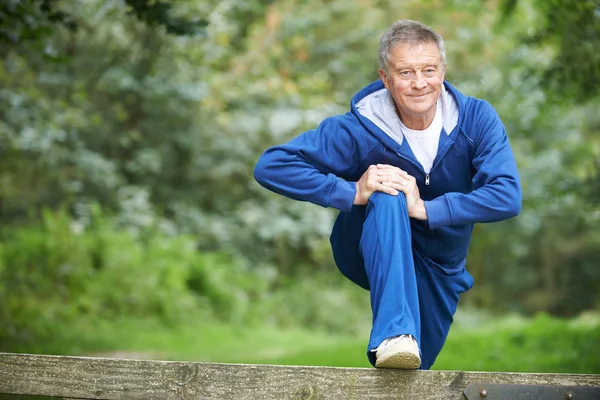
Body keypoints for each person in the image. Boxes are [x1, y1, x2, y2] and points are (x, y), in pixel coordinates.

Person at [253, 19, 521, 370]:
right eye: (406, 72)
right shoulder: (359, 129)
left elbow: (506, 195)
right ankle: (393, 332)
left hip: (440, 265)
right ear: (385, 78)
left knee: (409, 372)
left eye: (428, 69)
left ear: (443, 70)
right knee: (388, 185)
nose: (419, 82)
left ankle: (399, 341)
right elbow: (272, 165)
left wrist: (426, 208)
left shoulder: (476, 120)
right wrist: (351, 191)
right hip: (369, 246)